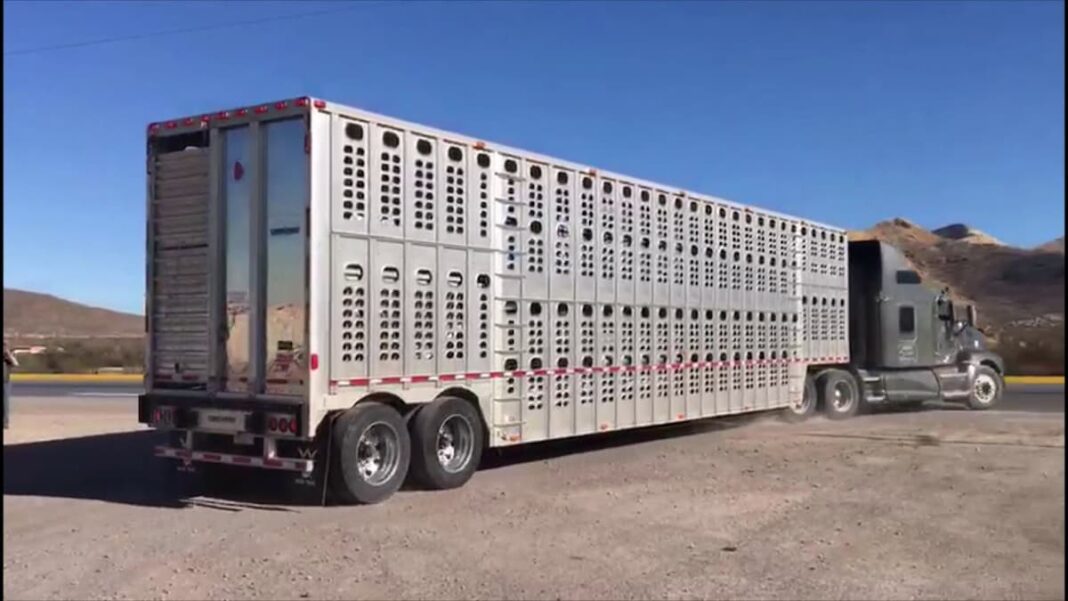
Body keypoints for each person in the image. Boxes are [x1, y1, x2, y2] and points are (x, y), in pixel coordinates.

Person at [3, 341, 17, 429]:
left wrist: (7, 353)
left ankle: (5, 422)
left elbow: (15, 363)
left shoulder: (7, 357)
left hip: (5, 381)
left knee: (5, 403)